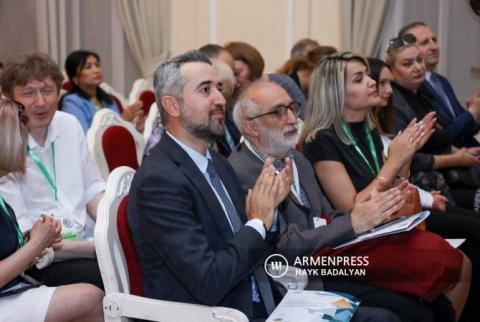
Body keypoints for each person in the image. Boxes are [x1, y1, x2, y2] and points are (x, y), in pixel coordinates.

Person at [228, 80, 451, 322]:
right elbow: (283, 246)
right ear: (252, 128)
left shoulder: (297, 160)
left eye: (292, 108)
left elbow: (326, 216)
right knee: (407, 312)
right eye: (278, 112)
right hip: (295, 280)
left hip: (329, 262)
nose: (292, 119)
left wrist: (376, 216)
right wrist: (354, 223)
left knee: (434, 301)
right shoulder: (242, 172)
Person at [302, 51, 471, 321]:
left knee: (460, 266)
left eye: (368, 76)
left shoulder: (367, 130)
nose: (371, 83)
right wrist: (395, 160)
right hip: (352, 244)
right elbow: (351, 207)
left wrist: (405, 157)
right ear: (336, 93)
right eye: (359, 79)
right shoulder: (320, 140)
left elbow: (396, 186)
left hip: (386, 228)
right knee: (455, 267)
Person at [127, 50, 291, 321]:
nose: (221, 99)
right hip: (215, 313)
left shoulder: (217, 162)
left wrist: (269, 214)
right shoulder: (159, 181)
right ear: (173, 105)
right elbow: (208, 282)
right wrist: (258, 223)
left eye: (219, 88)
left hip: (257, 298)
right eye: (206, 90)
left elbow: (247, 243)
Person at [369, 56, 480, 322]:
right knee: (474, 231)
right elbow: (360, 199)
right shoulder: (331, 140)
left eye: (385, 82)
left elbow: (402, 176)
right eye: (379, 82)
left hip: (410, 200)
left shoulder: (379, 121)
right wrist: (426, 195)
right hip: (386, 218)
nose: (384, 89)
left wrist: (424, 194)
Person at [0, 53, 104, 289]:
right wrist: (100, 247)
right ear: (9, 98)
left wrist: (114, 223)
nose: (40, 102)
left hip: (85, 238)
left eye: (47, 90)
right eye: (28, 93)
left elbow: (92, 190)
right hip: (41, 259)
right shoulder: (5, 145)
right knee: (111, 277)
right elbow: (26, 238)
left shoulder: (68, 124)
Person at [386, 34, 480, 212]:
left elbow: (443, 134)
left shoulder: (424, 92)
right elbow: (411, 159)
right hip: (422, 184)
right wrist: (454, 158)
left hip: (451, 174)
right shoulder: (392, 104)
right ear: (391, 70)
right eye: (408, 64)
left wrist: (460, 152)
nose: (418, 67)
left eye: (419, 60)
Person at [398, 22, 480, 150]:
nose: (434, 46)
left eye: (434, 40)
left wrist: (475, 116)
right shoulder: (415, 87)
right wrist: (470, 113)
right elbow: (442, 136)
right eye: (425, 42)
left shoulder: (442, 81)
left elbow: (466, 129)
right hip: (452, 159)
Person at [60, 50, 144, 133]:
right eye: (88, 67)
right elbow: (83, 138)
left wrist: (136, 129)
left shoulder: (108, 99)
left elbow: (121, 134)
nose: (96, 70)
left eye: (97, 65)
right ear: (75, 78)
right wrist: (122, 121)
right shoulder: (71, 102)